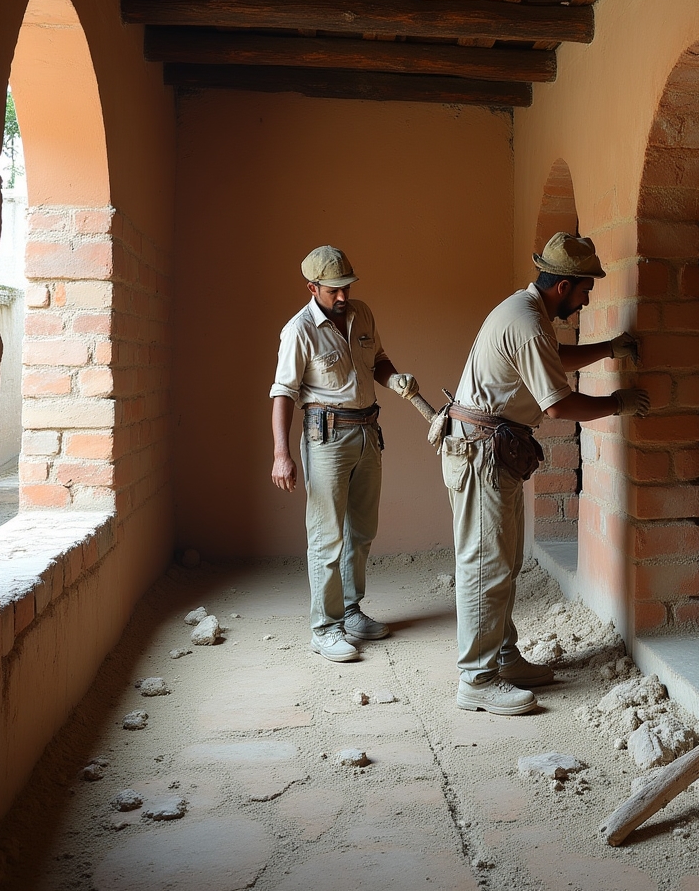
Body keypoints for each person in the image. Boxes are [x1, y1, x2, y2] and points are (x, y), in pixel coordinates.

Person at [441, 232, 650, 715]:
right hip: (481, 454)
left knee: (504, 561)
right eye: (584, 291)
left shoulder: (528, 310)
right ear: (563, 287)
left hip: (493, 450)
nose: (586, 299)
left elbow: (550, 364)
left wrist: (609, 349)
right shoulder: (529, 323)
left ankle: (503, 657)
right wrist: (618, 402)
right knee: (484, 567)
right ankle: (476, 679)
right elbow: (557, 405)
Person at [270, 245, 420, 663]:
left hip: (368, 432)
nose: (342, 296)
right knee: (327, 535)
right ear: (312, 287)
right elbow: (283, 393)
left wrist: (396, 379)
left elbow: (380, 361)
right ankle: (325, 628)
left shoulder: (362, 314)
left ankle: (350, 612)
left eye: (347, 287)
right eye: (333, 289)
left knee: (362, 530)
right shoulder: (298, 330)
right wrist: (282, 454)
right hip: (326, 438)